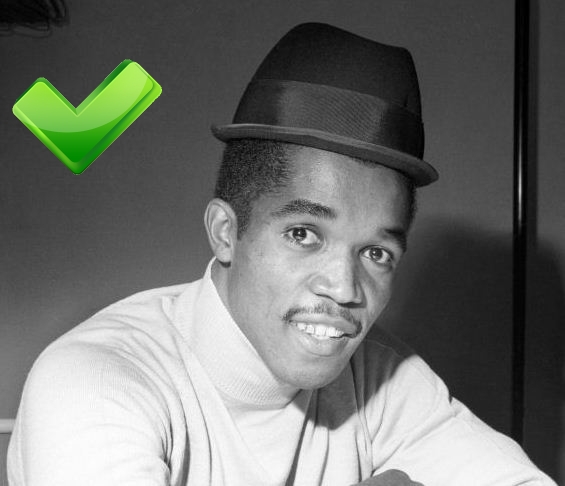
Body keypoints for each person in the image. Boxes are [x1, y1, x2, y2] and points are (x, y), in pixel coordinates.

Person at [7, 23, 556, 486]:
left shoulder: (382, 379)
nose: (344, 288)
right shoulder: (94, 380)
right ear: (226, 232)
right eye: (303, 234)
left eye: (375, 252)